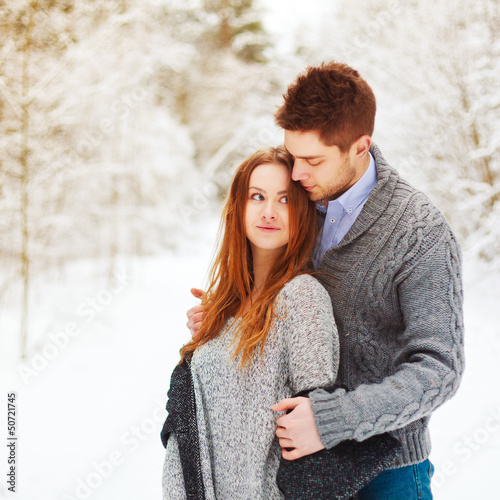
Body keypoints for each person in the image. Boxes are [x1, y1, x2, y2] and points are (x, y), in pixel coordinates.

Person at [187, 62, 465, 499]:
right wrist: (232, 322)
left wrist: (333, 418)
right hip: (293, 469)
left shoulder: (420, 232)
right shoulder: (302, 202)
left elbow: (439, 369)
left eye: (312, 160)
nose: (296, 173)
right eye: (293, 155)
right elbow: (280, 300)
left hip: (386, 470)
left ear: (360, 146)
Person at [162, 146, 341, 499]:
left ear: (303, 211)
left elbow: (318, 435)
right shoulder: (223, 307)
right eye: (257, 197)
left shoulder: (302, 297)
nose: (269, 212)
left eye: (285, 200)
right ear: (239, 209)